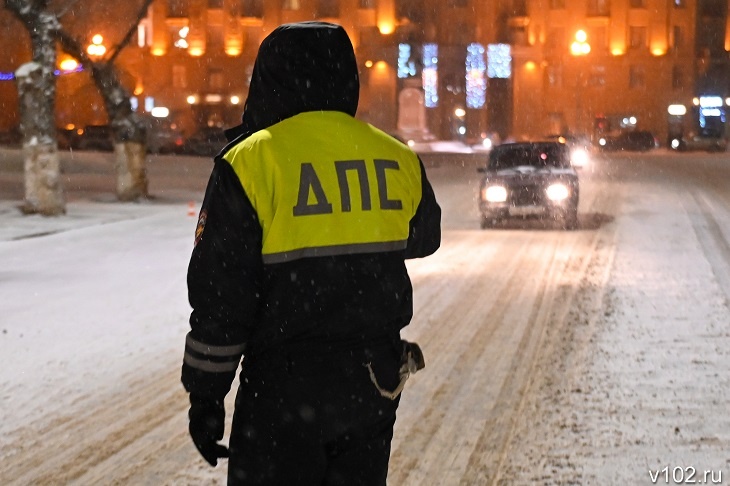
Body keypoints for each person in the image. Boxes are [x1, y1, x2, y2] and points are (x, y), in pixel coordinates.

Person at [181, 21, 441, 485]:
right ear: (347, 79)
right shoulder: (394, 156)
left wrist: (205, 395)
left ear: (268, 78)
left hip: (283, 391)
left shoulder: (251, 162)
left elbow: (223, 296)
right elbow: (424, 237)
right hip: (371, 384)